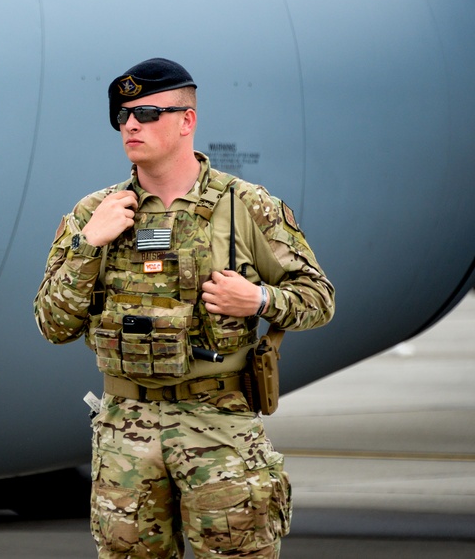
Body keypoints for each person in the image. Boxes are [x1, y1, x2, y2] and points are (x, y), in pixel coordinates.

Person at [33, 57, 335, 558]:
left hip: (219, 423)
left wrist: (258, 298)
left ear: (186, 121)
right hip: (126, 428)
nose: (131, 124)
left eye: (148, 113)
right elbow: (52, 323)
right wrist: (88, 245)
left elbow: (319, 298)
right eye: (123, 115)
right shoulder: (93, 214)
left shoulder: (247, 207)